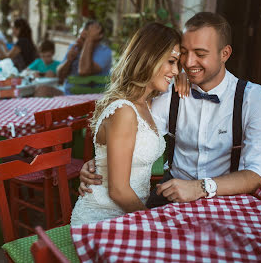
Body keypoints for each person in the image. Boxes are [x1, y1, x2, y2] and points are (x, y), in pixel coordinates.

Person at [79, 12, 261, 208]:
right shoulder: (168, 92)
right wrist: (100, 163)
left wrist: (200, 188)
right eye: (184, 53)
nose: (189, 63)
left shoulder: (252, 99)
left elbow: (258, 173)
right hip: (171, 196)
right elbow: (131, 135)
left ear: (224, 54)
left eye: (200, 54)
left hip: (226, 199)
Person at [69, 22, 182, 226]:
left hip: (130, 215)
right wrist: (154, 223)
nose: (175, 71)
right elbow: (118, 190)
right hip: (101, 219)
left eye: (178, 64)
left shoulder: (149, 103)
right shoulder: (124, 110)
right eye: (172, 61)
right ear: (150, 58)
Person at [57, 21, 112, 94]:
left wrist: (89, 40)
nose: (78, 40)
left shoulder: (105, 52)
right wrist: (69, 60)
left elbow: (83, 71)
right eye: (79, 36)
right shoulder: (75, 46)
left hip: (90, 98)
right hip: (68, 94)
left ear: (97, 38)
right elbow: (60, 77)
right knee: (42, 89)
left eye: (84, 38)